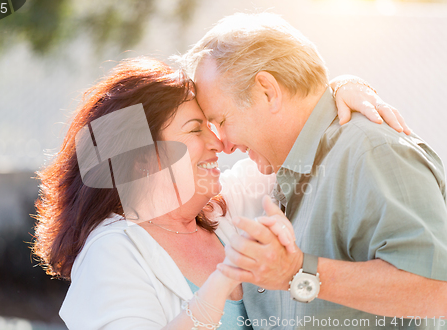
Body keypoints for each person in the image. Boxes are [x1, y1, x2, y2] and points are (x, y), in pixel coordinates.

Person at [32, 57, 408, 329]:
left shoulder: (227, 207)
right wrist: (223, 280)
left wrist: (342, 87)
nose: (217, 142)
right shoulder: (112, 252)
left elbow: (291, 143)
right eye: (196, 129)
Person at [180, 12, 447, 329]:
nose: (223, 144)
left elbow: (437, 289)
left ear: (268, 91)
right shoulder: (279, 174)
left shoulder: (369, 152)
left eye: (221, 122)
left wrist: (296, 273)